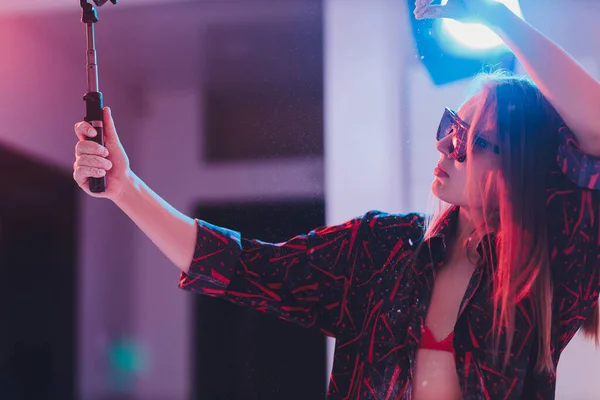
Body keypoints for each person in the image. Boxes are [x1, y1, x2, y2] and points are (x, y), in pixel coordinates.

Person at [72, 0, 600, 398]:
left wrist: (497, 18)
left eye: (467, 138)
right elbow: (246, 268)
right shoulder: (383, 251)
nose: (443, 143)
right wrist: (126, 188)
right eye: (449, 126)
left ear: (517, 167)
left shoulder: (549, 271)